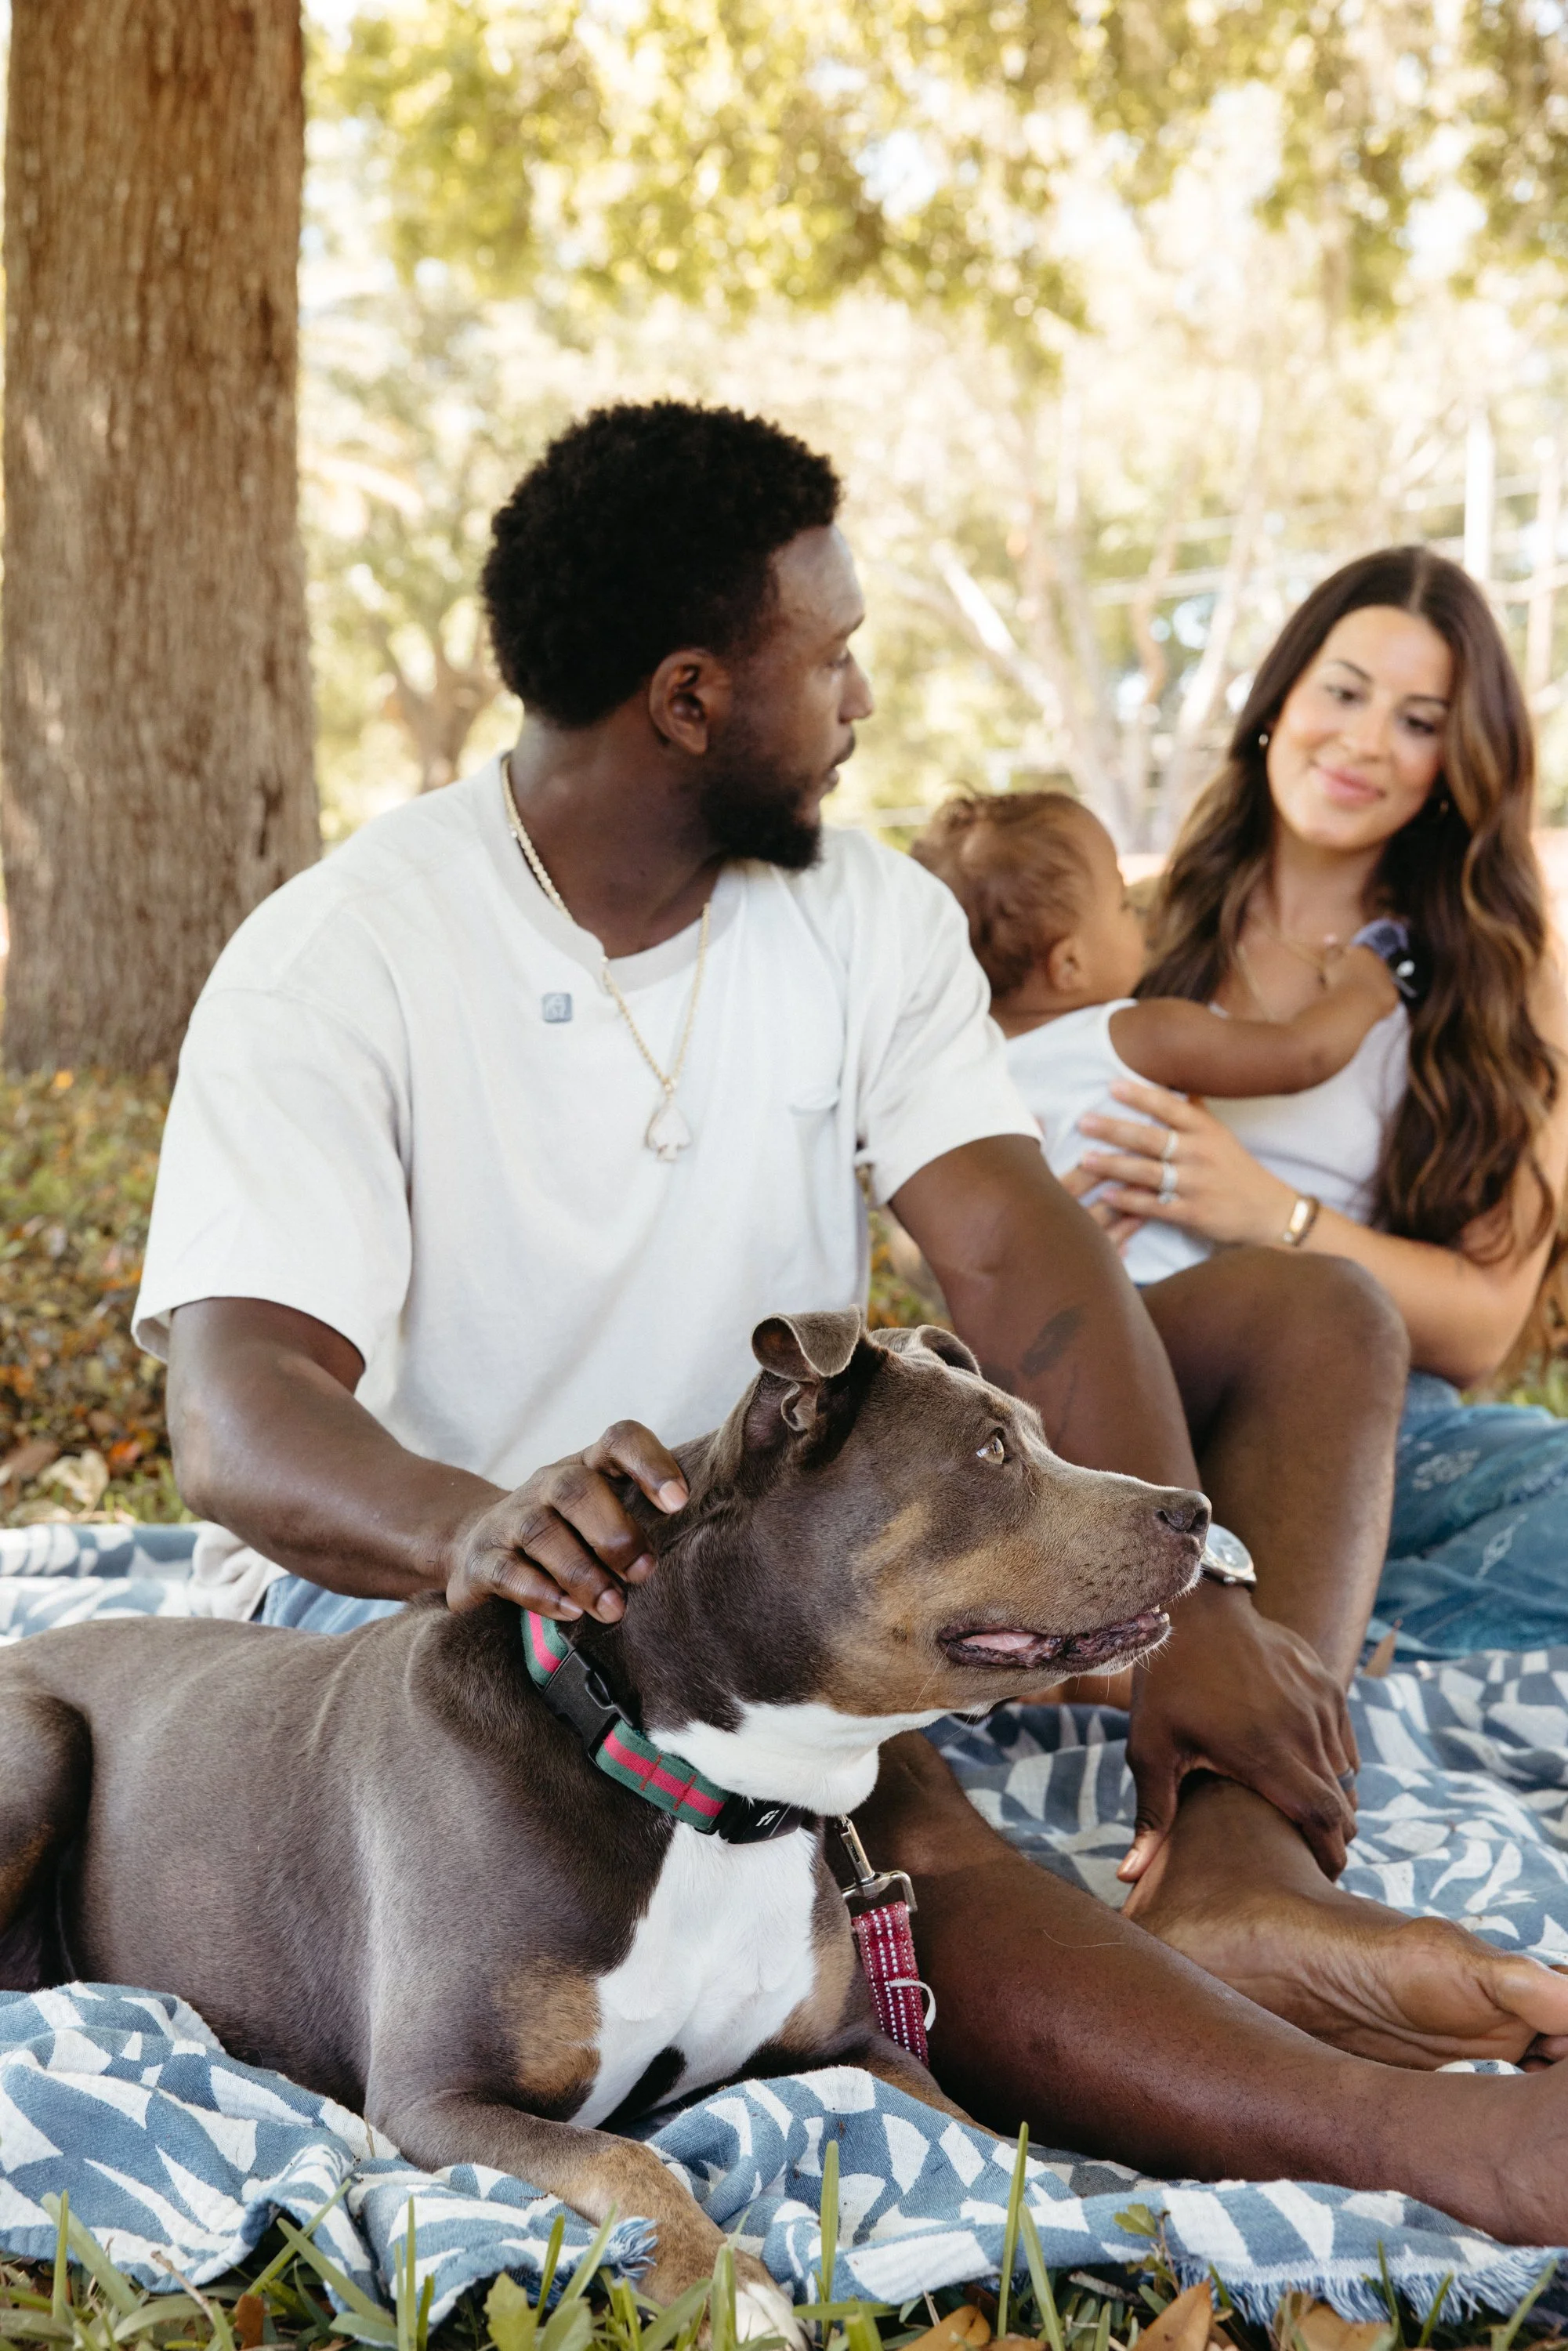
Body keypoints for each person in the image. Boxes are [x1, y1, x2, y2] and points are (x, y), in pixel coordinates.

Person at [119, 404, 1568, 2222]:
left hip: (757, 1534)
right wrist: (472, 1521)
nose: (863, 700)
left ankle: (1234, 1861)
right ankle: (1440, 2146)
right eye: (834, 656)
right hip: (434, 1589)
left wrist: (1179, 1591)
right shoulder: (340, 957)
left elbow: (1018, 1260)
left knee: (1289, 1333)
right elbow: (239, 1411)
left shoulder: (859, 914)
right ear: (686, 697)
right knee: (864, 1816)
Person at [1045, 546, 1568, 1660]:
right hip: (1130, 1406)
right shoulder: (1127, 929)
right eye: (1343, 691)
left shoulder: (1501, 978)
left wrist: (1265, 1212)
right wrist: (1048, 1230)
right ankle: (1289, 1636)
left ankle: (1310, 1641)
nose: (1367, 740)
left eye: (1420, 720)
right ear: (1280, 698)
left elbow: (1479, 1328)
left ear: (1457, 761)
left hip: (1369, 1433)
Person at [911, 788, 1407, 1286]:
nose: (1143, 919)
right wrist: (1363, 991)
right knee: (1339, 1307)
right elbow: (1302, 1055)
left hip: (1055, 1317)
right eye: (1125, 905)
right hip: (1171, 1295)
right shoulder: (1134, 1035)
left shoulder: (964, 1073)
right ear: (1069, 965)